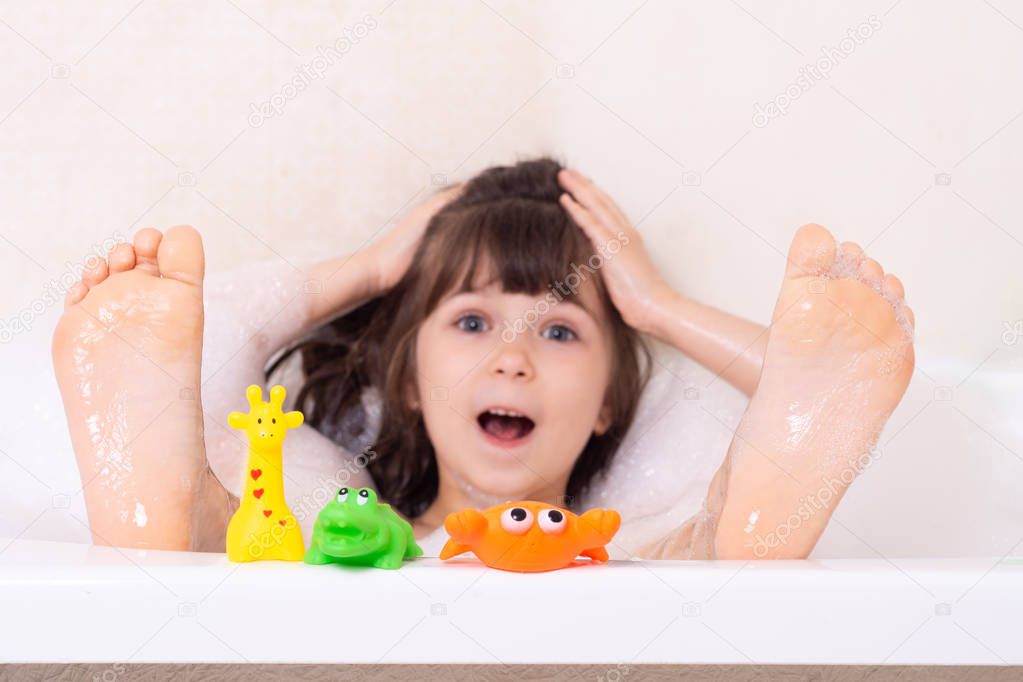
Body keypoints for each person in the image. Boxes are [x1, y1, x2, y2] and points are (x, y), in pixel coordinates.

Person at [51, 157, 914, 559]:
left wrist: (656, 308)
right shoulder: (341, 526)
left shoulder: (635, 542)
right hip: (333, 584)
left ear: (610, 403)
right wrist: (374, 269)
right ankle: (169, 523)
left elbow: (795, 397)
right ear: (413, 386)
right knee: (240, 505)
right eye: (470, 324)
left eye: (559, 330)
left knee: (710, 546)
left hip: (616, 585)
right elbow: (221, 383)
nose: (512, 360)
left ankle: (748, 543)